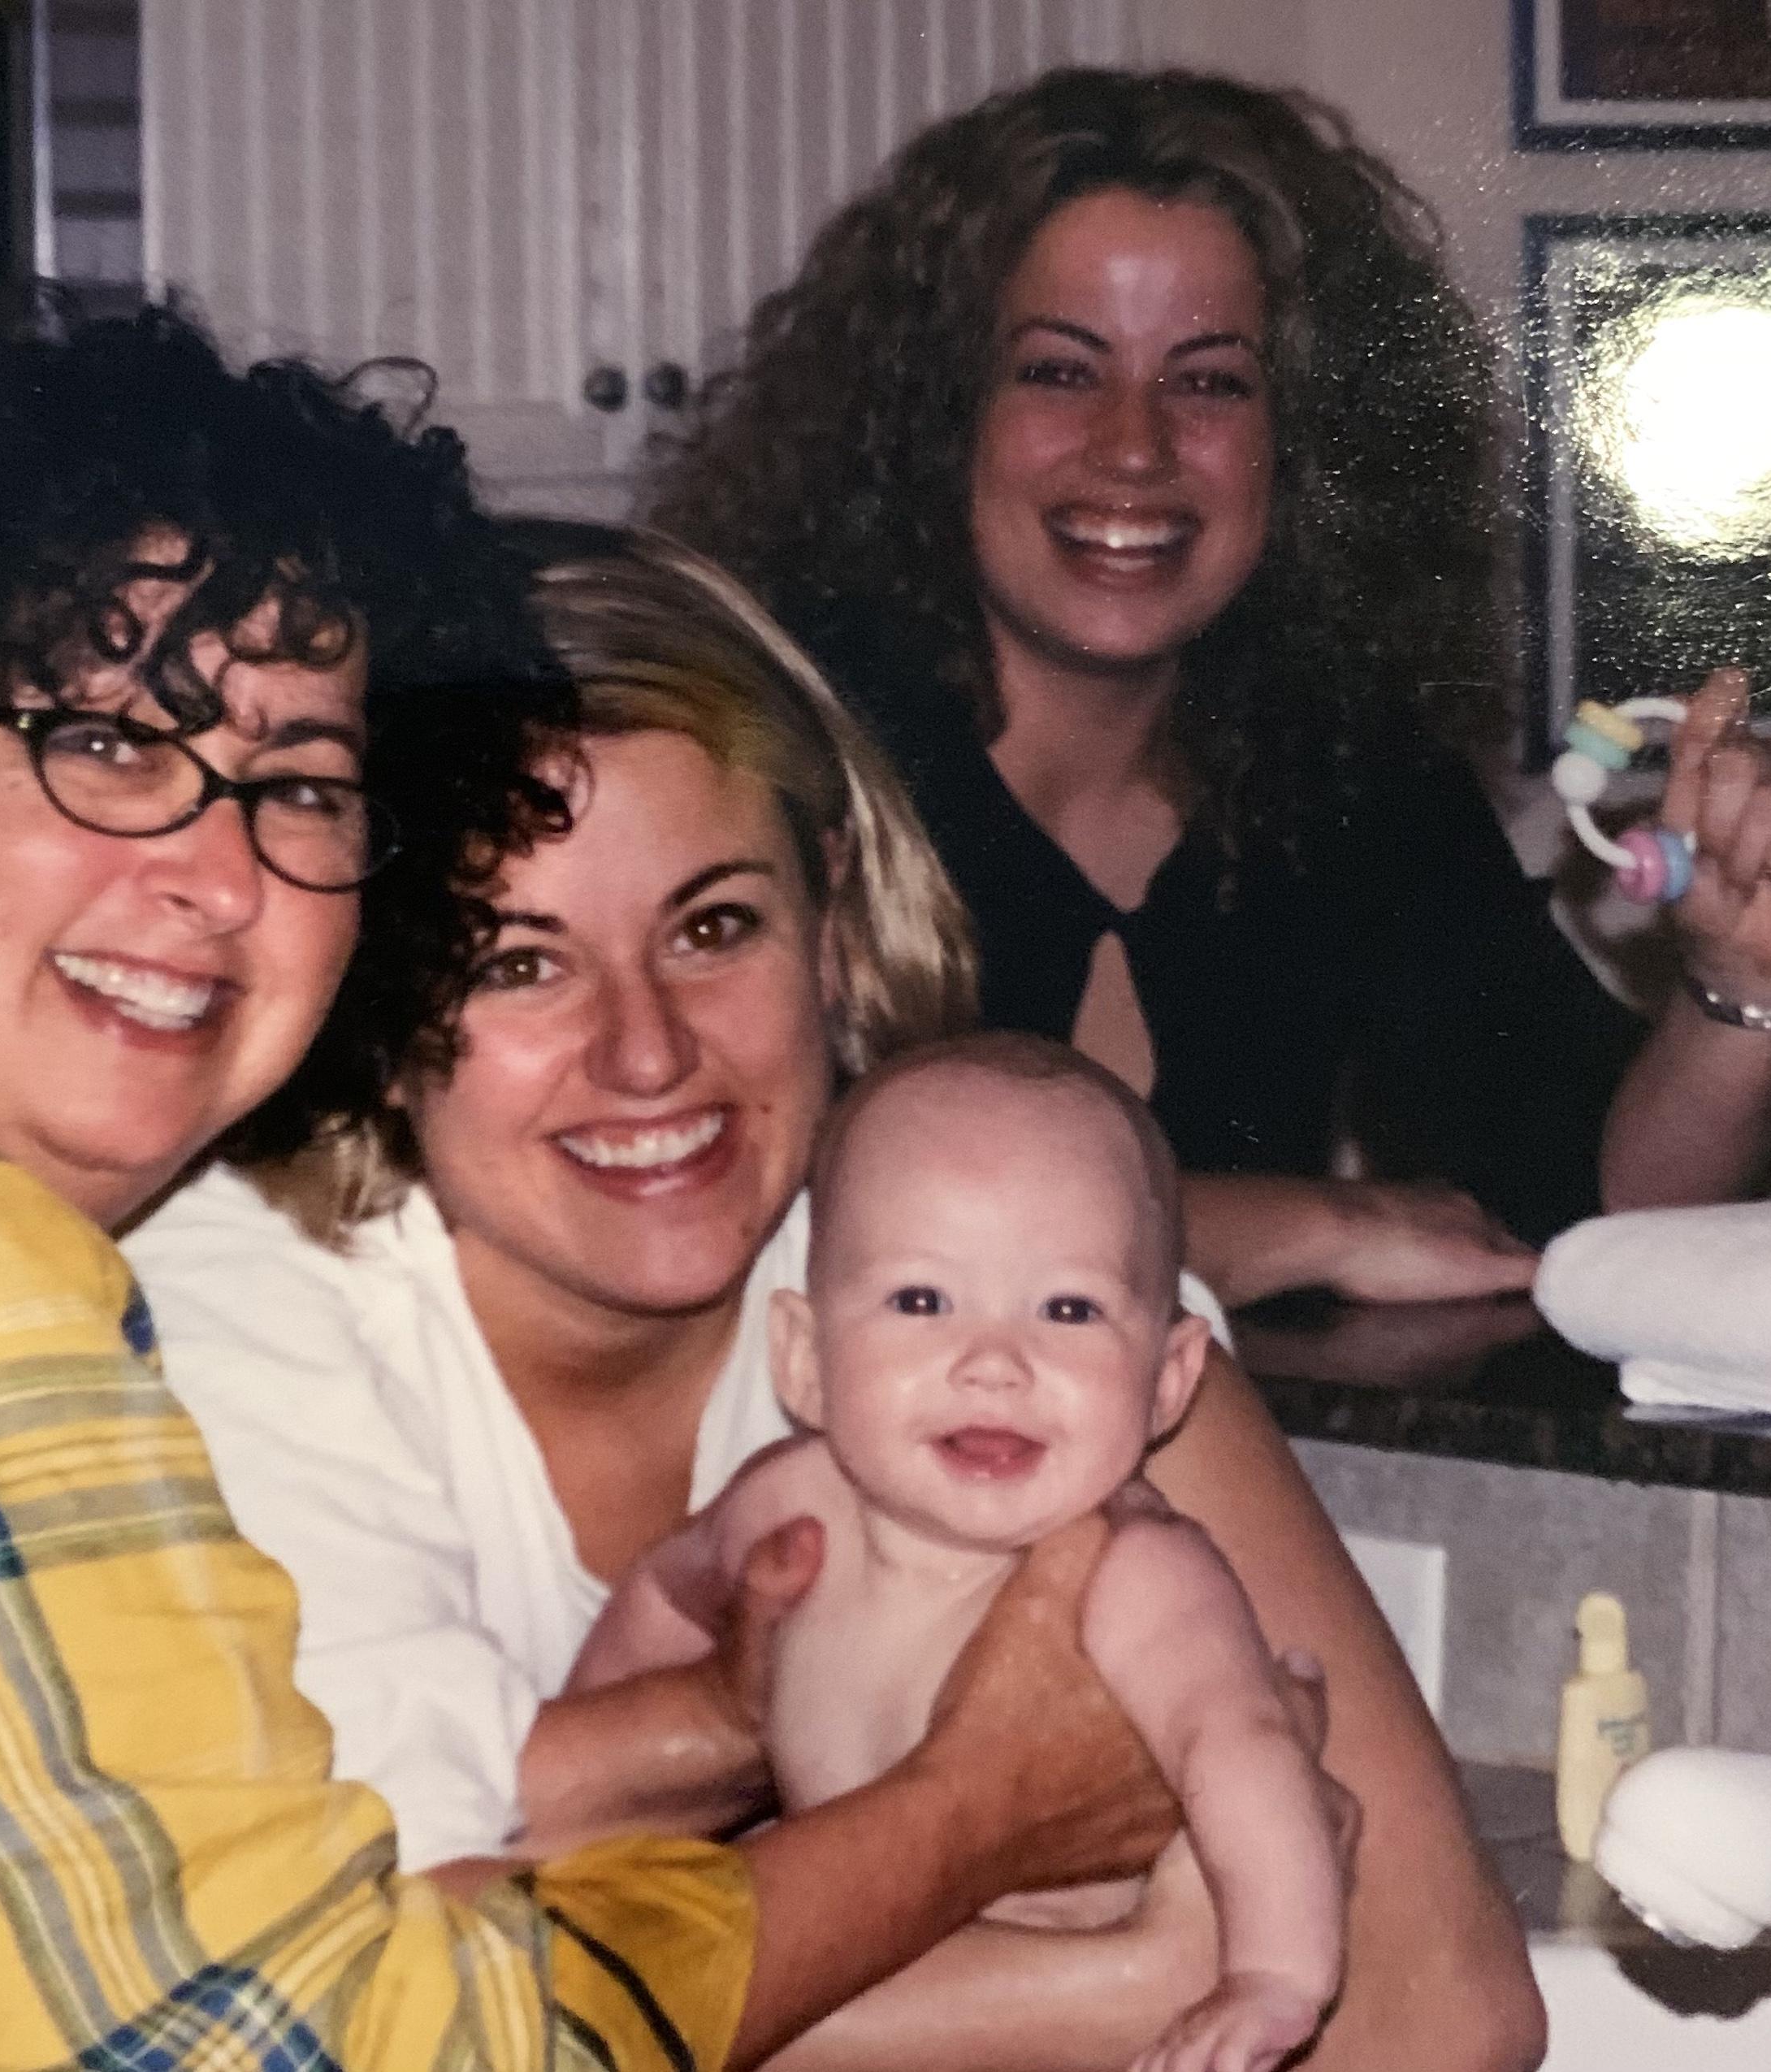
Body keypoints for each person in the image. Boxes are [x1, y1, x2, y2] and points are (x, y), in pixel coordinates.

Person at [0, 311, 1176, 2072]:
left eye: (299, 787)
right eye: (106, 745)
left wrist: (724, 1718)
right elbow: (333, 2056)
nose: (217, 876)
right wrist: (971, 1814)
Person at [129, 523, 1546, 2071]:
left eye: (712, 927)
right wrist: (1104, 1966)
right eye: (516, 964)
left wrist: (679, 1771)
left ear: (832, 916)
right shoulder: (228, 1310)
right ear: (373, 995)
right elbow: (375, 2012)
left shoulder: (1003, 1299)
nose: (647, 1054)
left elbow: (1440, 2012)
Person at [647, 68, 1771, 1307]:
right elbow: (737, 1224)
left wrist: (1741, 985)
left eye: (1211, 381)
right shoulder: (765, 750)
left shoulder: (1341, 768)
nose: (1134, 446)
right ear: (939, 420)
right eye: (1060, 371)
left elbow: (1595, 1217)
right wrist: (1289, 1224)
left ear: (1304, 443)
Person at [571, 1034, 1344, 2072]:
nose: (993, 1363)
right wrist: (597, 1822)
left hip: (1056, 2038)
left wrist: (1274, 1977)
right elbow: (664, 1595)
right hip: (862, 1985)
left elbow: (1242, 1742)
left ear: (1168, 1379)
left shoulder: (1133, 1574)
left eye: (1067, 1309)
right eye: (921, 1301)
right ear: (803, 1358)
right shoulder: (787, 1509)